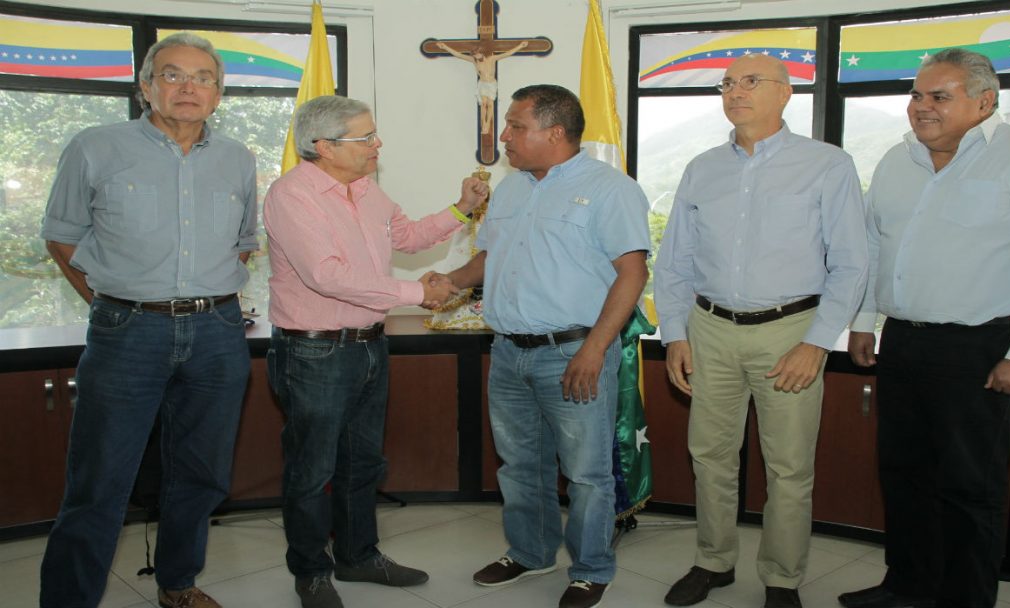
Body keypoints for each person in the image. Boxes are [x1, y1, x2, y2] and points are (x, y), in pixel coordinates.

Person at [839, 48, 1010, 608]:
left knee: (969, 485)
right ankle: (907, 586)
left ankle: (964, 600)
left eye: (939, 96)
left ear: (984, 102)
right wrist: (864, 320)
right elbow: (874, 246)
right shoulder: (897, 160)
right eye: (916, 95)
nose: (921, 107)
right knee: (903, 472)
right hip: (904, 340)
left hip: (981, 345)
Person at [39, 33, 257, 608]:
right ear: (145, 87)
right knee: (99, 481)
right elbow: (61, 236)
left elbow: (243, 244)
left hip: (217, 333)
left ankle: (177, 584)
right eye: (173, 74)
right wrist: (111, 304)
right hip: (127, 334)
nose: (188, 87)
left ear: (218, 93)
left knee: (202, 474)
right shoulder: (95, 147)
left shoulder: (238, 158)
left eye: (203, 78)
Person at [654, 53, 868, 608]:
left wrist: (817, 343)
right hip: (710, 329)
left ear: (785, 92)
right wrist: (675, 334)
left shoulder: (827, 165)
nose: (736, 91)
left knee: (789, 465)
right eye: (727, 83)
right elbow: (674, 260)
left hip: (789, 332)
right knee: (710, 455)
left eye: (751, 81)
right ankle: (713, 561)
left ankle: (782, 578)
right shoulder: (702, 168)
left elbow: (851, 263)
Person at [263, 94, 489, 608]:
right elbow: (327, 276)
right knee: (312, 470)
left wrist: (461, 208)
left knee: (363, 462)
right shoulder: (292, 195)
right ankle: (311, 571)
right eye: (365, 137)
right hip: (314, 353)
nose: (377, 144)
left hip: (369, 345)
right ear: (324, 146)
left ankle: (358, 556)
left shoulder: (367, 190)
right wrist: (417, 293)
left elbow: (407, 237)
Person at [441, 84, 650, 608]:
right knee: (519, 465)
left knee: (586, 473)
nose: (504, 137)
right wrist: (447, 283)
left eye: (516, 126)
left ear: (555, 133)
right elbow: (488, 258)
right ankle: (531, 552)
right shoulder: (511, 189)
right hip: (509, 352)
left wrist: (594, 350)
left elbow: (632, 273)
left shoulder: (610, 189)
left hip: (574, 352)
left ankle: (591, 568)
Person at [435, 41, 529, 135]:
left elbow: (507, 54)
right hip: (483, 84)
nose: (476, 56)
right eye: (474, 55)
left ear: (481, 52)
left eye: (477, 54)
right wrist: (445, 47)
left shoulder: (491, 59)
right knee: (483, 104)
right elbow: (459, 55)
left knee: (490, 104)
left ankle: (488, 123)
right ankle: (483, 124)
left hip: (491, 84)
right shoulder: (474, 61)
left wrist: (520, 46)